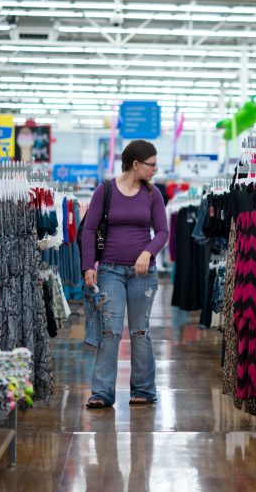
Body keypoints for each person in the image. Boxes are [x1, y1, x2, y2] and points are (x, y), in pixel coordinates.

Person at [81, 140, 169, 408]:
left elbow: (163, 231)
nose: (155, 169)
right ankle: (102, 392)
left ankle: (143, 388)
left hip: (143, 274)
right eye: (152, 164)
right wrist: (88, 266)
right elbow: (88, 229)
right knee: (110, 331)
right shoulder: (104, 190)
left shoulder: (153, 195)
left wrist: (148, 252)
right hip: (109, 271)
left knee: (140, 331)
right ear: (136, 164)